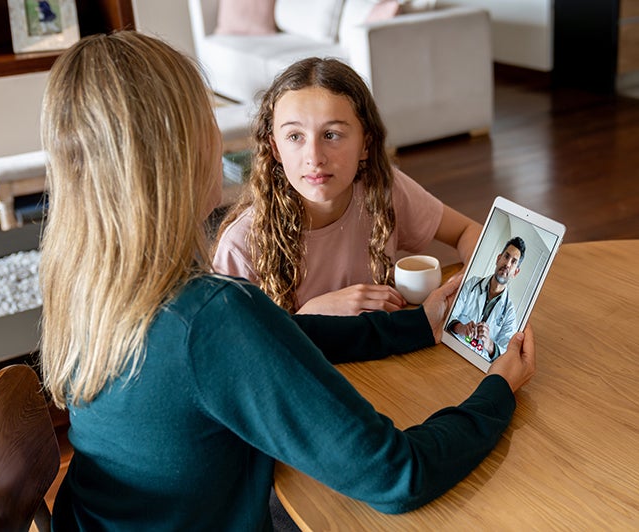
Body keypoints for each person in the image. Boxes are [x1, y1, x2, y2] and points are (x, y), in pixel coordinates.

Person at [39, 31, 535, 531]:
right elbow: (397, 474)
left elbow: (273, 339)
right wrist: (496, 391)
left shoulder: (92, 284)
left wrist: (415, 327)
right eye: (207, 119)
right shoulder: (212, 317)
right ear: (179, 153)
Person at [213, 57, 482, 315]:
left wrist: (467, 284)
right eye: (295, 136)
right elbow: (227, 355)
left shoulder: (383, 190)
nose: (315, 158)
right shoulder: (240, 246)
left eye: (331, 135)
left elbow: (467, 232)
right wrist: (311, 314)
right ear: (275, 149)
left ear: (365, 143)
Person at [447, 237, 526, 361]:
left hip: (479, 364)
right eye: (506, 257)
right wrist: (461, 328)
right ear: (498, 258)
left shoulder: (510, 313)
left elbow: (506, 355)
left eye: (513, 262)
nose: (507, 264)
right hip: (452, 347)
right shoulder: (472, 283)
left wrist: (489, 344)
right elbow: (449, 314)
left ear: (515, 272)